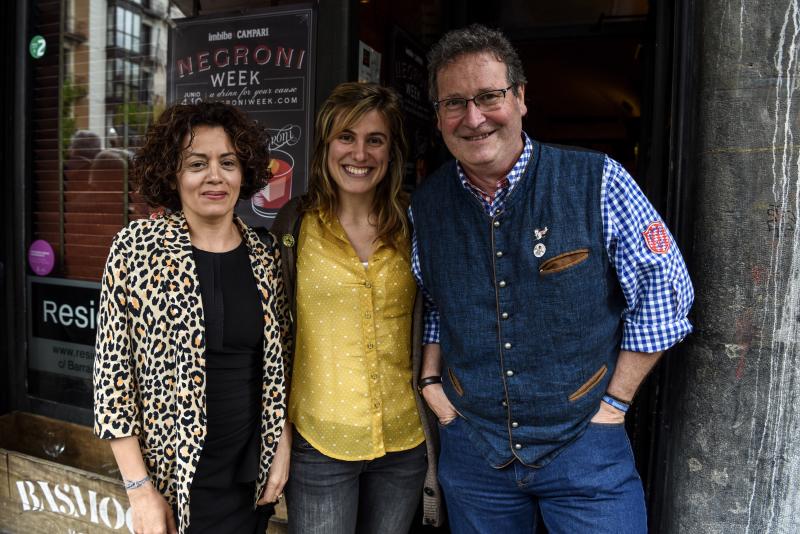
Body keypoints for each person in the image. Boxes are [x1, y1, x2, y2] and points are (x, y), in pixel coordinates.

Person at [410, 24, 694, 533]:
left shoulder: (596, 179)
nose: (473, 118)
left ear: (520, 98)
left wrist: (615, 403)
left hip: (586, 445)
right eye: (454, 103)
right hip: (474, 451)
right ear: (438, 116)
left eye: (489, 96)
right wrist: (432, 385)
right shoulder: (426, 206)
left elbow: (665, 290)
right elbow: (432, 300)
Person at [93, 101, 292, 534]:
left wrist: (281, 444)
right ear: (173, 173)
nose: (215, 176)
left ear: (246, 172)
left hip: (248, 478)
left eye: (228, 162)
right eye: (196, 163)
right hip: (172, 483)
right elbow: (113, 378)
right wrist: (140, 489)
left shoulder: (266, 255)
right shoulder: (136, 247)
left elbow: (279, 369)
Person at [272, 82, 442, 534]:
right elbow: (273, 335)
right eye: (346, 137)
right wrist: (277, 433)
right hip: (319, 443)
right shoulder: (294, 225)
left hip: (404, 442)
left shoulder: (416, 224)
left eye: (375, 139)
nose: (359, 153)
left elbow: (445, 312)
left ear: (391, 151)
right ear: (327, 145)